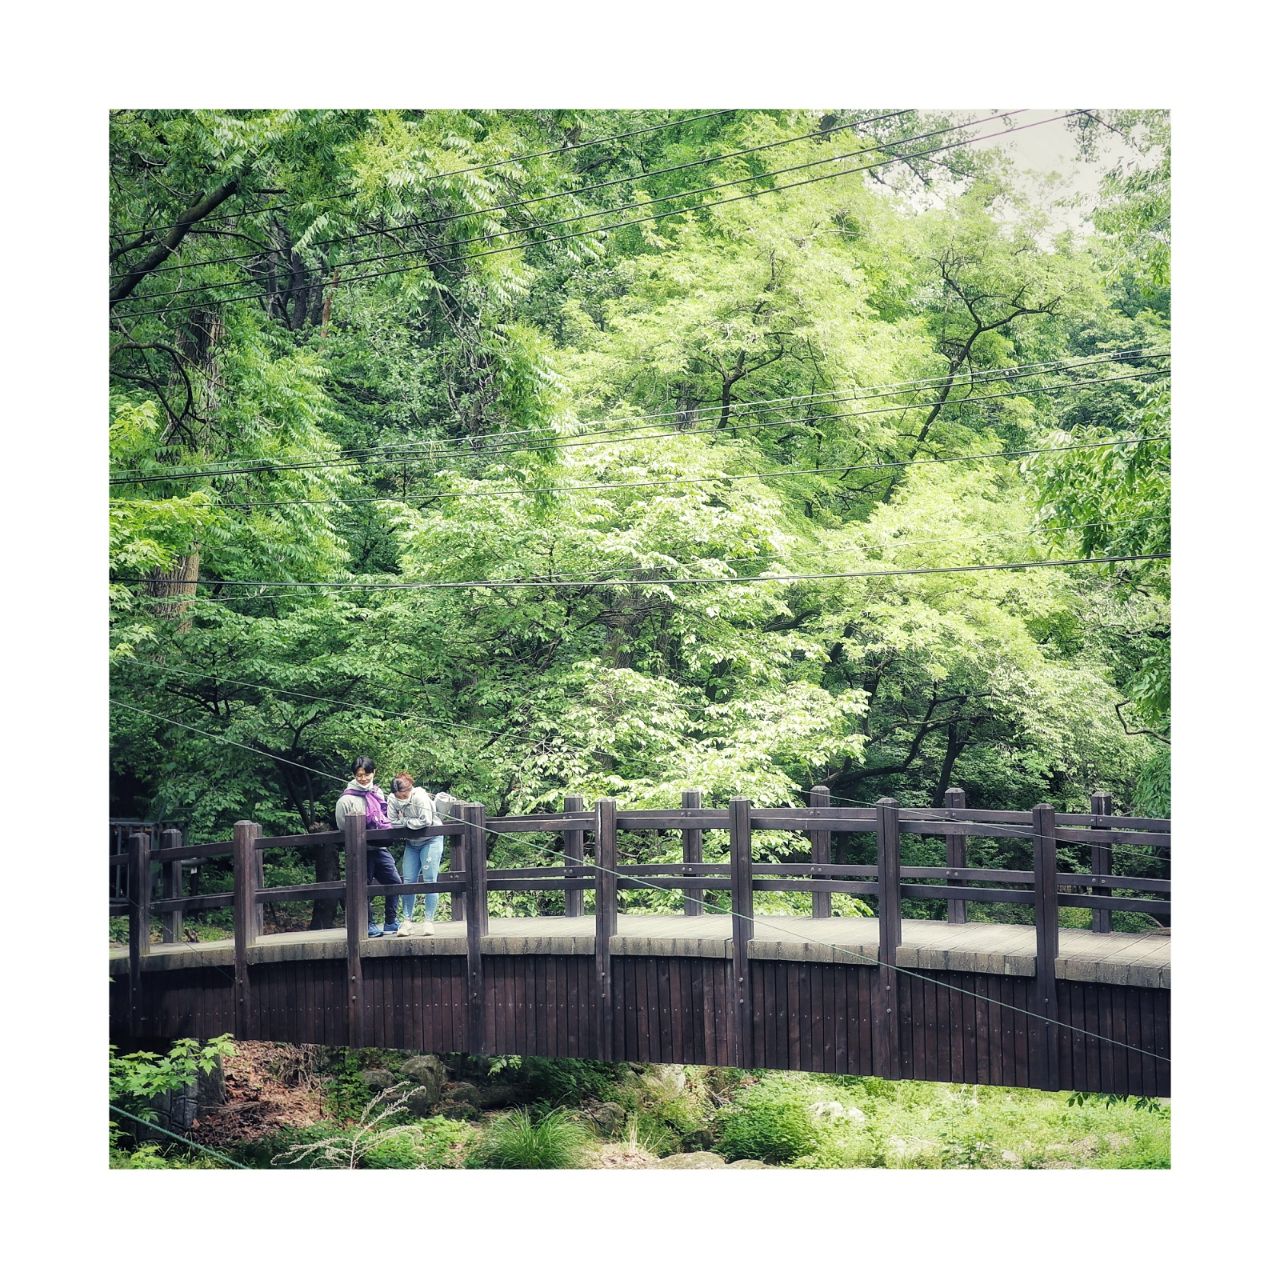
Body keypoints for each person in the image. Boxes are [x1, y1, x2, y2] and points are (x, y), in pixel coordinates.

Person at [334, 756, 403, 938]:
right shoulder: (346, 800)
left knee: (394, 881)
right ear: (354, 775)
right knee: (362, 887)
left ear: (374, 773)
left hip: (379, 848)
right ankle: (368, 924)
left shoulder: (377, 792)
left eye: (366, 774)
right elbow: (342, 827)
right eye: (359, 775)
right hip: (359, 851)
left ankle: (391, 921)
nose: (363, 778)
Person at [388, 772, 438, 937]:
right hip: (412, 842)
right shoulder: (392, 799)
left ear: (410, 789)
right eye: (398, 796)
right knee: (408, 880)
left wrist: (404, 822)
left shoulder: (419, 797)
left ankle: (428, 921)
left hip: (431, 840)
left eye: (404, 795)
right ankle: (407, 921)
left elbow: (426, 821)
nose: (401, 799)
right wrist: (408, 824)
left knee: (430, 879)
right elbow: (391, 821)